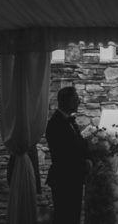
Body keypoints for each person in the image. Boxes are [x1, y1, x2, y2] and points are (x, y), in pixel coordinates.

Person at [46, 85, 87, 224]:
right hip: (64, 178)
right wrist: (85, 163)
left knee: (73, 216)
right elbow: (65, 154)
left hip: (73, 178)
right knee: (65, 217)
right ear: (66, 101)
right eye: (76, 99)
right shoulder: (55, 124)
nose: (79, 102)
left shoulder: (69, 121)